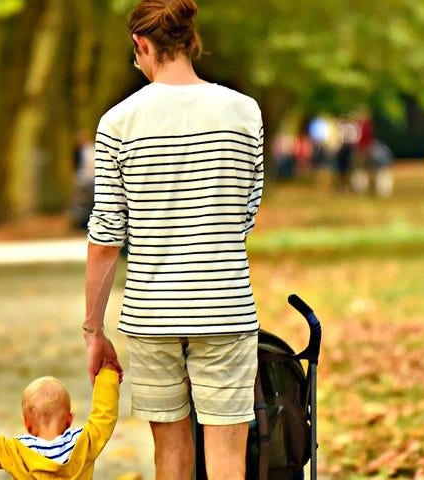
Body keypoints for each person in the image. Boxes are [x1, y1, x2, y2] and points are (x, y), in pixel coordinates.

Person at [83, 1, 264, 478]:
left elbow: (106, 236)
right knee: (228, 456)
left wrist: (92, 329)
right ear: (189, 42)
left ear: (143, 46)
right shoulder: (244, 113)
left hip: (152, 313)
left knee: (170, 454)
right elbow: (246, 214)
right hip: (226, 306)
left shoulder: (118, 123)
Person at [0, 366, 121, 479]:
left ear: (27, 424)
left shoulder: (17, 451)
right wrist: (107, 374)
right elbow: (103, 418)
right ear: (69, 420)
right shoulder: (83, 443)